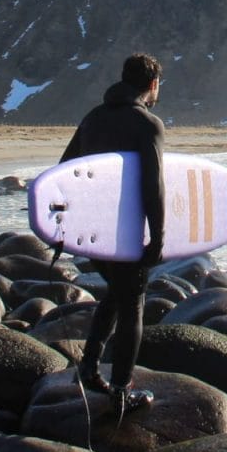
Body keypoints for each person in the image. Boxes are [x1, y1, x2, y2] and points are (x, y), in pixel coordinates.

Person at [60, 52, 166, 410]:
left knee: (116, 293)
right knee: (133, 301)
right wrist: (159, 237)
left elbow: (64, 169)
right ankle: (121, 392)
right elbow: (154, 186)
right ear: (152, 85)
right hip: (123, 232)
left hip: (92, 232)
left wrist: (70, 224)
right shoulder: (147, 124)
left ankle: (89, 366)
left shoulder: (93, 119)